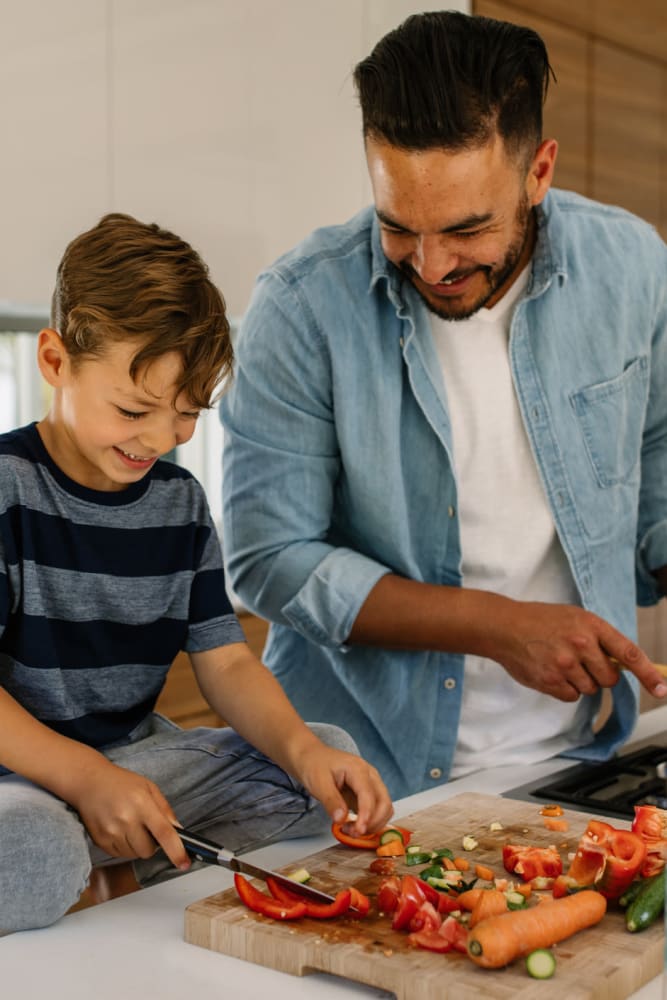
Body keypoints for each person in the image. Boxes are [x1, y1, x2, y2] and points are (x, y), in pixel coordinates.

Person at [220, 10, 667, 801]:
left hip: (578, 759)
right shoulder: (299, 307)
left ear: (538, 172)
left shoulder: (633, 267)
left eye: (466, 229)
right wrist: (496, 626)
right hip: (354, 775)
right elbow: (267, 560)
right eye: (398, 226)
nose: (430, 265)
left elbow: (657, 459)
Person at [0, 213, 391, 933]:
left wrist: (299, 751)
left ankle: (111, 859)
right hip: (18, 784)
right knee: (34, 846)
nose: (160, 438)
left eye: (186, 415)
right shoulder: (6, 488)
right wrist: (86, 780)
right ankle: (101, 862)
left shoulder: (180, 503)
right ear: (54, 362)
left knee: (325, 759)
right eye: (134, 408)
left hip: (137, 766)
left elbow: (226, 663)